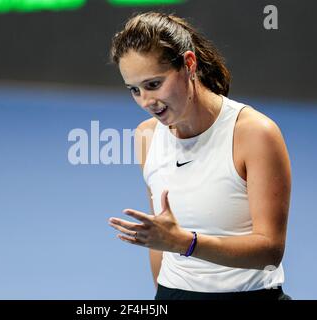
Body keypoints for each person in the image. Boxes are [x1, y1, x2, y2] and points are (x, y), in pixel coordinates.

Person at [107, 11, 292, 300]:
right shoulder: (147, 136)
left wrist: (185, 243)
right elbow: (161, 237)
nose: (146, 102)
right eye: (135, 90)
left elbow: (269, 251)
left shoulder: (256, 134)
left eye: (154, 84)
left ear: (189, 64)